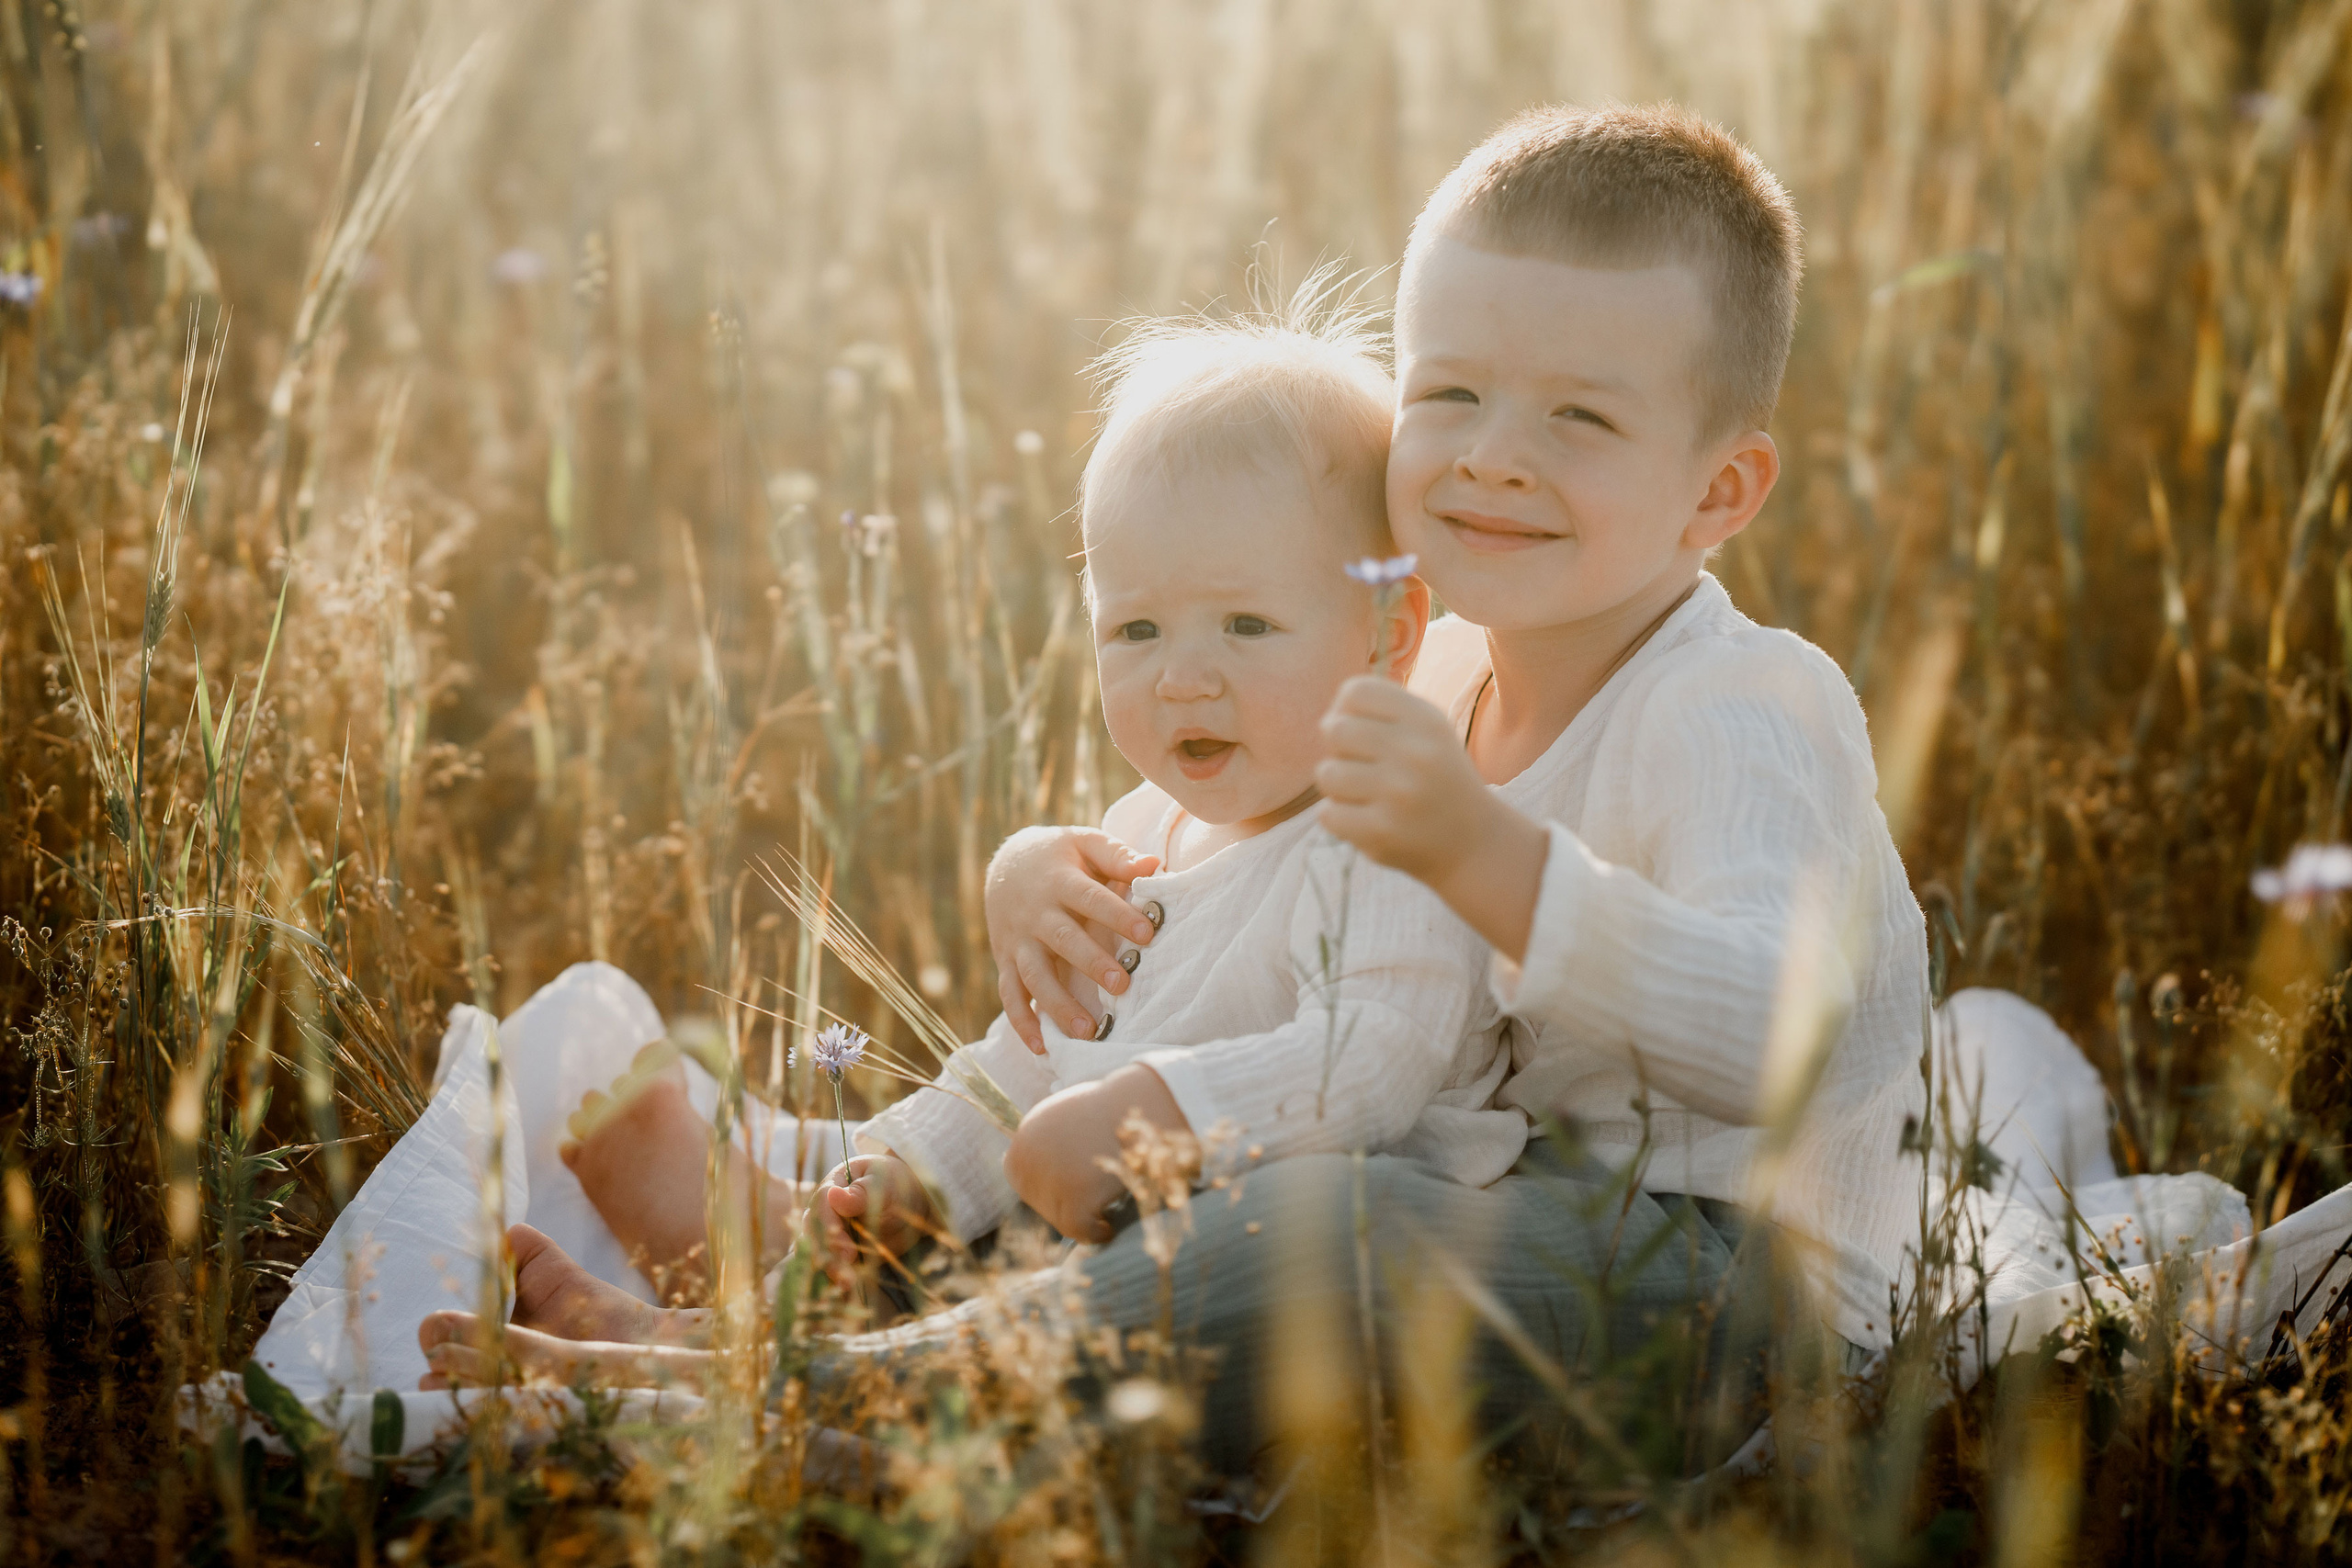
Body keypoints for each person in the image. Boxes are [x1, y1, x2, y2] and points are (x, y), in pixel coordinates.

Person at [413, 289, 1538, 1443]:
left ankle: (713, 1360)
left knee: (1031, 1318)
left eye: (1245, 627)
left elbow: (1375, 1067)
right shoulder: (1143, 837)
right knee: (967, 1232)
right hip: (1085, 1230)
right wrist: (900, 1178)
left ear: (1388, 635)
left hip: (1290, 1284)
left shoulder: (1396, 836)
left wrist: (1155, 1119)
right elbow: (1026, 1065)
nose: (1180, 680)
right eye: (1135, 632)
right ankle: (796, 1256)